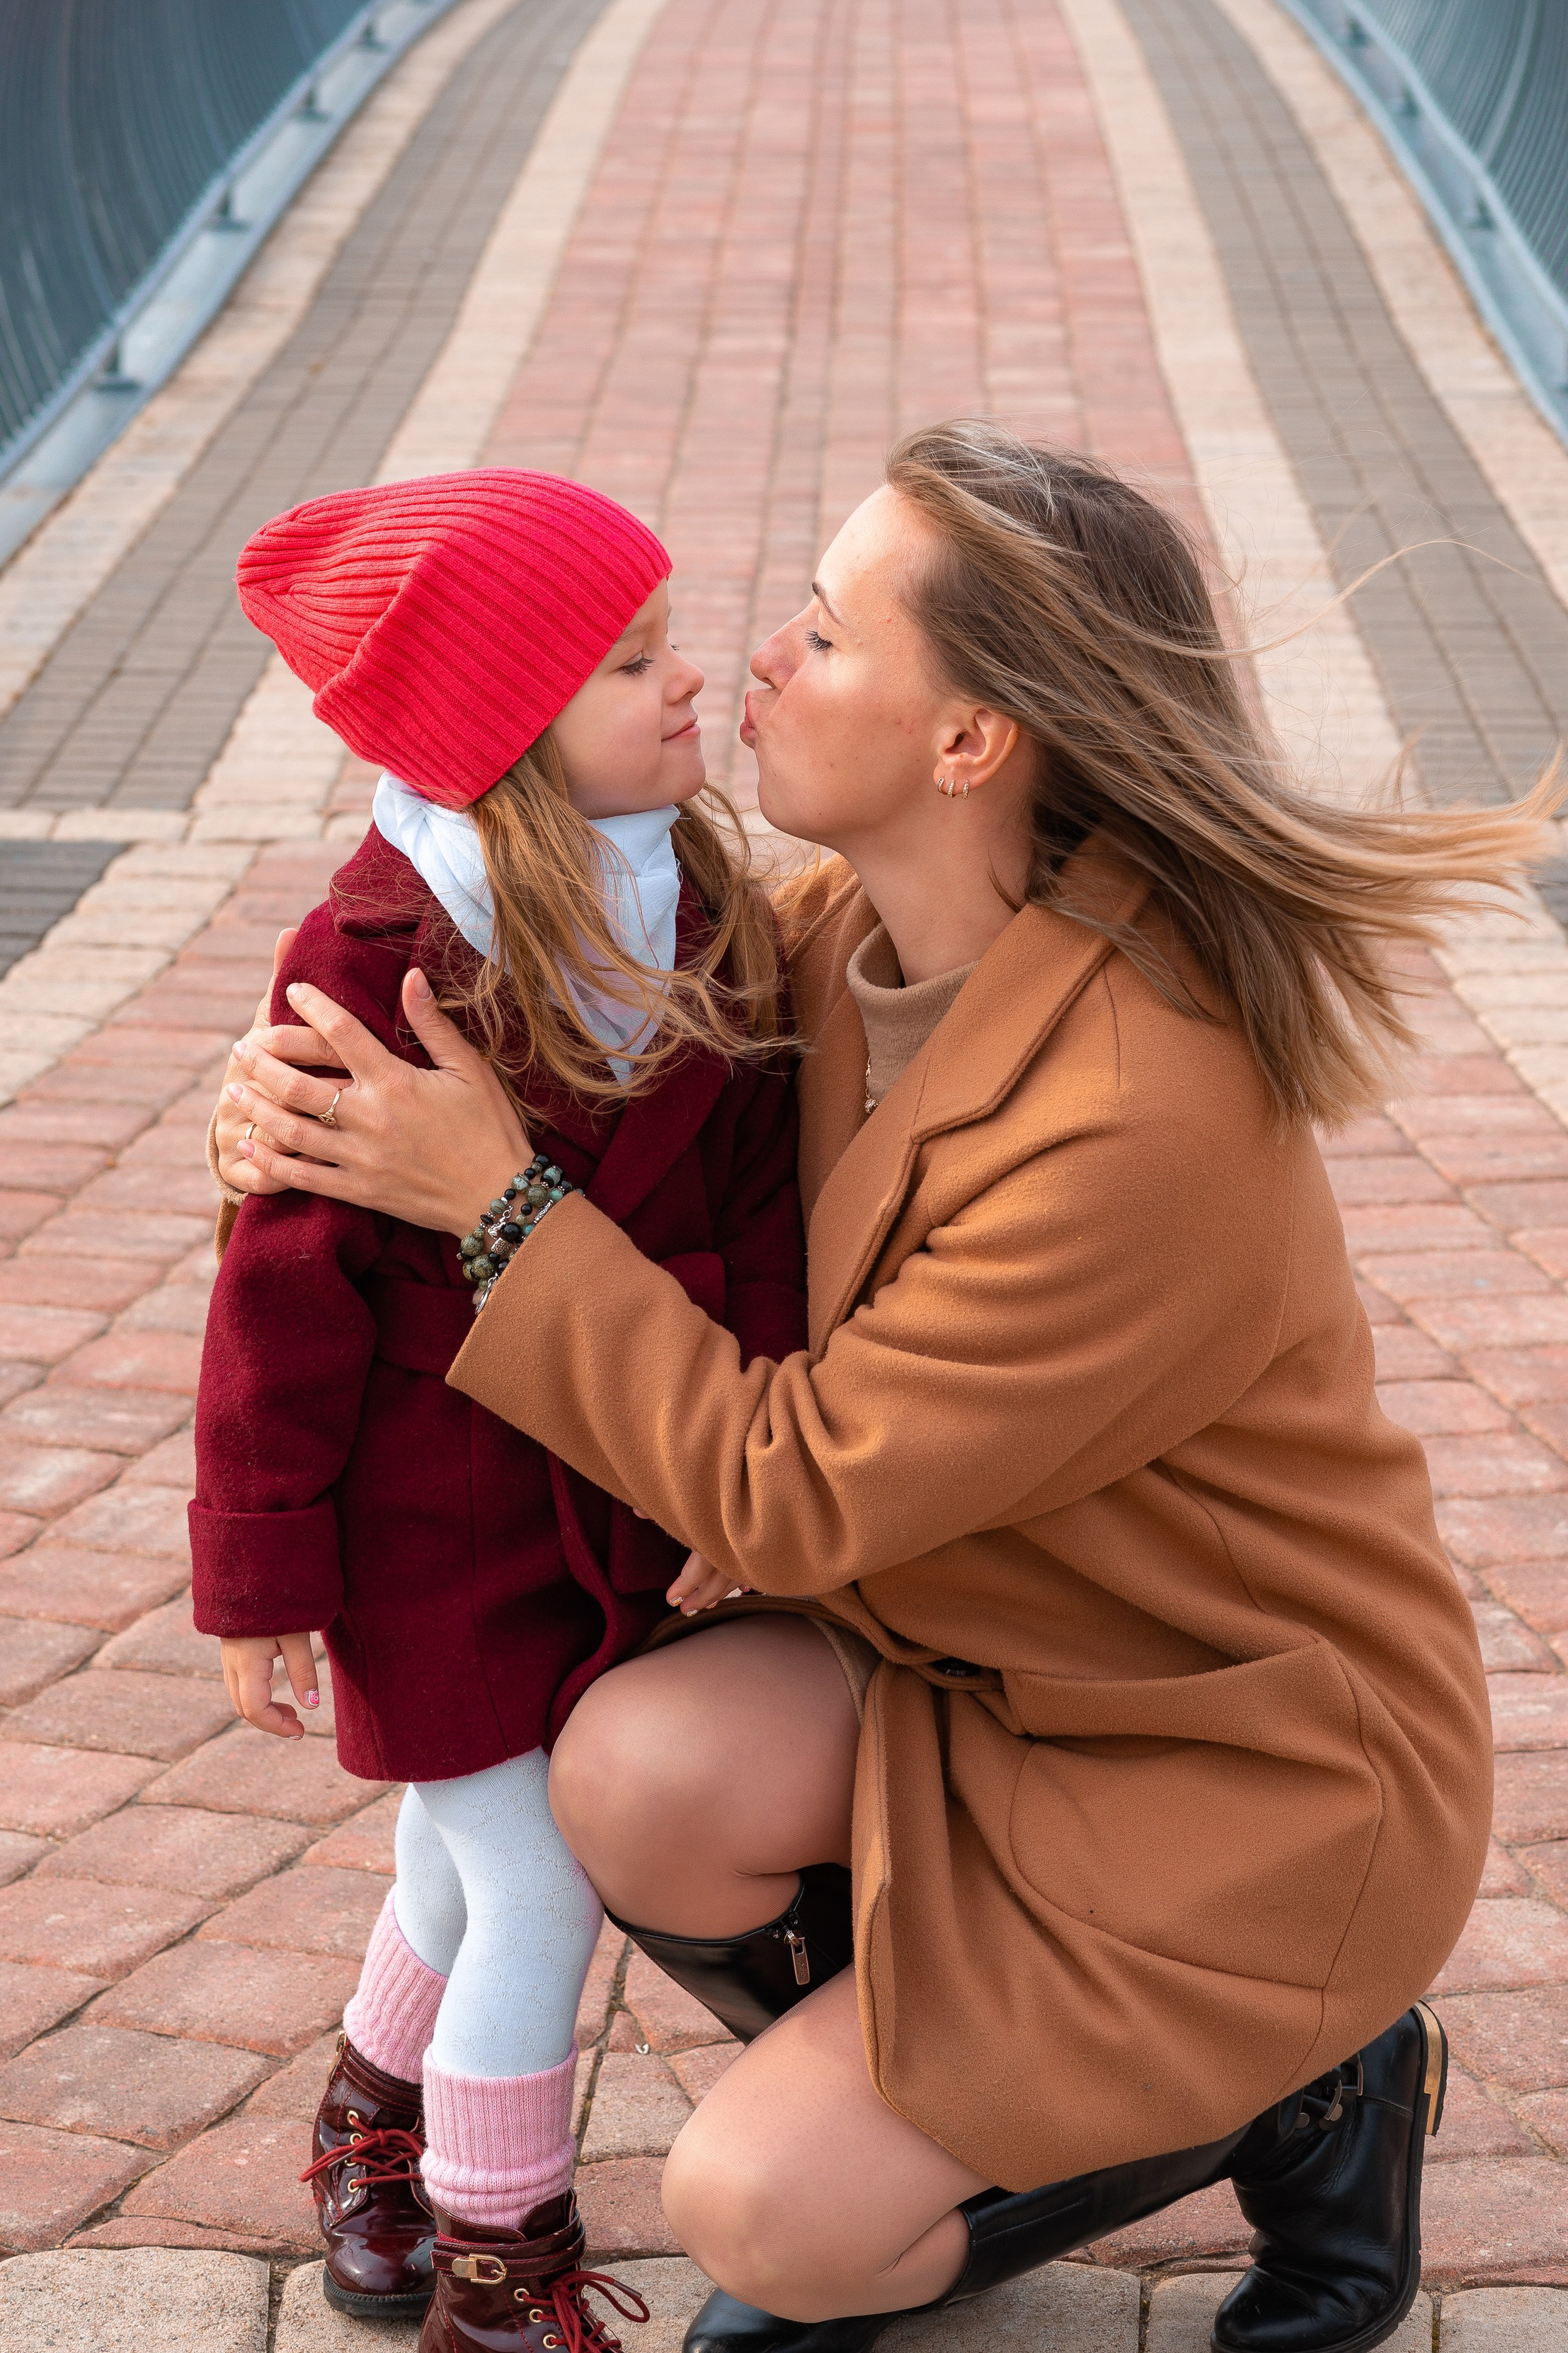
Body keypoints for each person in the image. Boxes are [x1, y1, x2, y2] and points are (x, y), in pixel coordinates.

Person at [210, 423, 1556, 2353]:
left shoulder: (1128, 1110)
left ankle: (1302, 2078)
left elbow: (786, 1487)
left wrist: (489, 1199)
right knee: (623, 1767)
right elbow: (555, 1055)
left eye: (829, 637)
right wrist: (281, 1106)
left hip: (1229, 1769)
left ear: (970, 744)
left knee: (757, 2208)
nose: (759, 654)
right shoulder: (848, 940)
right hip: (988, 1674)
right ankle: (956, 2067)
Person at [193, 470, 804, 2350]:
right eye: (634, 663)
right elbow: (277, 1292)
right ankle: (495, 2262)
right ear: (505, 742)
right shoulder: (373, 959)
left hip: (619, 1483)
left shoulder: (696, 900)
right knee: (537, 1868)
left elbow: (757, 1196)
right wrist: (265, 1565)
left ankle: (371, 2108)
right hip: (431, 1524)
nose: (691, 680)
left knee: (456, 1859)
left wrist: (752, 1446)